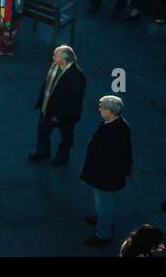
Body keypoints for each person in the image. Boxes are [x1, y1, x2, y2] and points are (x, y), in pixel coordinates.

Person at [80, 95, 134, 246]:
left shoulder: (115, 130)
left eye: (102, 108)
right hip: (105, 172)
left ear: (110, 112)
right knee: (102, 200)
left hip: (105, 175)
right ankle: (102, 220)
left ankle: (103, 233)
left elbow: (118, 153)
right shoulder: (116, 124)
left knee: (104, 203)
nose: (99, 110)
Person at [29, 46, 86, 165]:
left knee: (66, 135)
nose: (53, 57)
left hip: (65, 114)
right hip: (49, 107)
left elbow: (74, 102)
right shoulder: (56, 66)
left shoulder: (76, 77)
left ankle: (62, 156)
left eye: (56, 55)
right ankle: (42, 152)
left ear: (63, 60)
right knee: (43, 130)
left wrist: (59, 116)